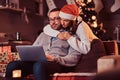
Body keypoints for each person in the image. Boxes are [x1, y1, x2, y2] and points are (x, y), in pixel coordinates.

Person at [5, 8, 81, 80]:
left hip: (58, 64)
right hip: (38, 63)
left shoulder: (72, 37)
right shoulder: (43, 34)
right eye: (51, 19)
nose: (53, 22)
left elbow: (74, 59)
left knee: (39, 65)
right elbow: (33, 50)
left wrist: (54, 58)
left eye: (56, 18)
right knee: (12, 65)